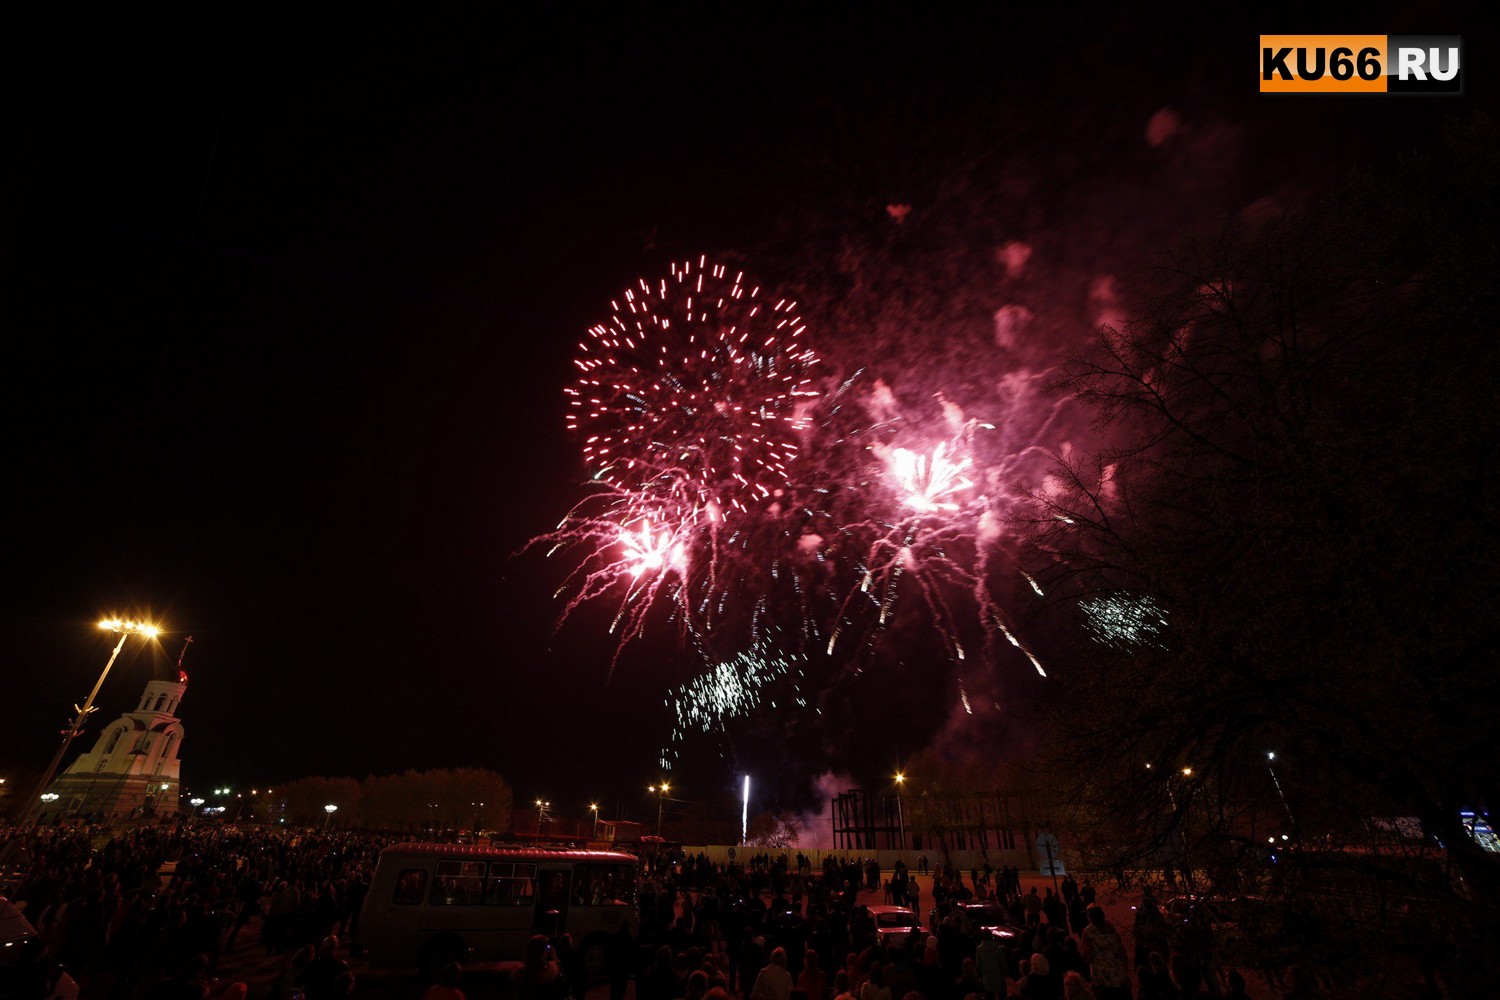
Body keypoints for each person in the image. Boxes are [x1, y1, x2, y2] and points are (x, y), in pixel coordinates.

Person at [1079, 904, 1132, 1000]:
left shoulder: (1088, 932)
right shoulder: (1110, 927)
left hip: (1102, 978)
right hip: (1119, 974)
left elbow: (1087, 954)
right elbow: (1121, 950)